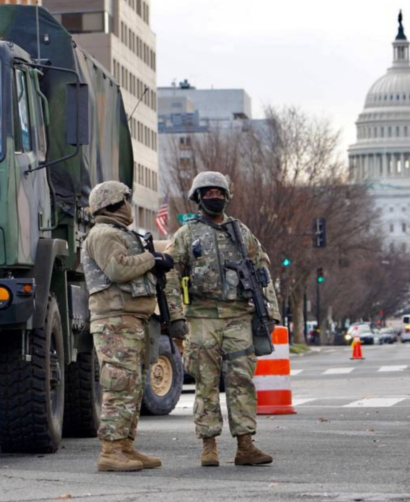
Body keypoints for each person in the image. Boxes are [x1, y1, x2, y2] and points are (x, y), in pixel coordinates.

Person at [164, 171, 279, 467]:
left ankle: (245, 445)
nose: (214, 197)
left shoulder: (240, 232)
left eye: (219, 192)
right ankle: (209, 445)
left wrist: (270, 313)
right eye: (208, 192)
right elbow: (170, 275)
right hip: (202, 318)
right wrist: (175, 316)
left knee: (241, 379)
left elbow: (261, 270)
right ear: (198, 198)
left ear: (226, 196)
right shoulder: (187, 235)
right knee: (205, 382)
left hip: (239, 316)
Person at [81, 181, 187, 472]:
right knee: (119, 384)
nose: (129, 205)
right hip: (115, 321)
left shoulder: (121, 234)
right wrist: (151, 258)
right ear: (114, 204)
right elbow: (117, 269)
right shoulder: (102, 234)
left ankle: (125, 446)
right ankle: (111, 450)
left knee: (135, 385)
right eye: (126, 200)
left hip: (132, 320)